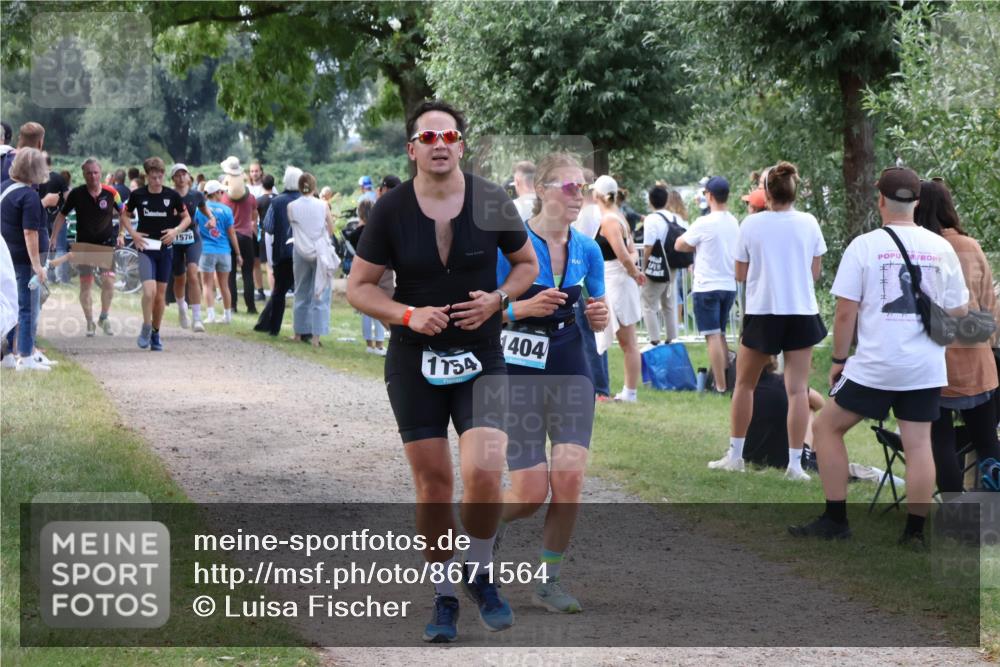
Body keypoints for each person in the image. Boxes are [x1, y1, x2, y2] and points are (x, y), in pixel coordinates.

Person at [347, 99, 538, 643]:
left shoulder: (492, 200)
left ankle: (478, 567)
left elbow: (525, 265)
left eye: (448, 136)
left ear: (461, 144)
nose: (439, 145)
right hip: (414, 360)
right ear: (412, 149)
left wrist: (498, 299)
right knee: (434, 487)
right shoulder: (390, 210)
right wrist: (407, 313)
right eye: (427, 138)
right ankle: (445, 596)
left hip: (481, 353)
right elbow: (359, 288)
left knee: (483, 473)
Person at [790, 167, 969, 548]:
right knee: (920, 444)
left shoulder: (865, 245)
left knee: (825, 428)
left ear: (881, 200)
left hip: (876, 364)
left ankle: (836, 519)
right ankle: (915, 534)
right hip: (924, 366)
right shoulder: (942, 247)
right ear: (917, 202)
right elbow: (958, 312)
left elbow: (844, 312)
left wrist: (839, 359)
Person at [495, 152, 608, 614]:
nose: (578, 194)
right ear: (541, 191)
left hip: (571, 368)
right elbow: (478, 314)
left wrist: (599, 315)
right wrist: (521, 309)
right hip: (519, 372)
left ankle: (548, 580)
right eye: (568, 186)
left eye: (582, 186)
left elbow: (598, 315)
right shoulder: (512, 247)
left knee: (570, 480)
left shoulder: (589, 248)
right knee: (528, 492)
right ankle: (480, 535)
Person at [712, 162, 828, 479]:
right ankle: (794, 464)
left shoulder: (752, 225)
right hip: (801, 311)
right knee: (798, 389)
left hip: (763, 311)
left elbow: (739, 273)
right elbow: (815, 273)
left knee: (744, 385)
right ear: (794, 189)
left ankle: (735, 455)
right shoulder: (809, 222)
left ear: (766, 193)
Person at [913, 179, 1000, 492]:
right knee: (988, 441)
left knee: (941, 441)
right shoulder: (970, 245)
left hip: (932, 360)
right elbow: (990, 309)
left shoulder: (918, 248)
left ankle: (957, 517)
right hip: (978, 360)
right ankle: (991, 518)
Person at [119, 157, 193, 352]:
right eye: (153, 177)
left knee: (160, 296)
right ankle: (145, 325)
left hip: (165, 250)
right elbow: (124, 215)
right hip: (145, 249)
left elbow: (187, 218)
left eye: (160, 177)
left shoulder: (172, 196)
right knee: (149, 292)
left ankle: (155, 332)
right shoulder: (138, 195)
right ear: (147, 177)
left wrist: (176, 231)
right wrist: (132, 233)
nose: (157, 181)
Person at [676, 176, 739, 394]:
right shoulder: (734, 221)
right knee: (720, 333)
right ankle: (728, 378)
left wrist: (696, 247)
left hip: (707, 286)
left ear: (709, 196)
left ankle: (719, 385)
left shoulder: (704, 222)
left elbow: (680, 244)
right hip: (729, 285)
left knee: (711, 335)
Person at [50, 158, 122, 337]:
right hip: (84, 246)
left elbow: (124, 214)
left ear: (101, 173)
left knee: (109, 283)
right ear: (83, 174)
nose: (93, 176)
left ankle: (104, 316)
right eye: (89, 173)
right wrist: (53, 237)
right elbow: (61, 215)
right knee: (85, 287)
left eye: (96, 172)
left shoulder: (112, 193)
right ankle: (90, 321)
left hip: (105, 244)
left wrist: (121, 235)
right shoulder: (77, 194)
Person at [594, 175, 644, 402]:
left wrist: (634, 272)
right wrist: (632, 269)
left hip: (617, 282)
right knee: (627, 341)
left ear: (597, 195)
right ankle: (627, 391)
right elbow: (631, 252)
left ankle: (630, 392)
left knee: (628, 341)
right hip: (617, 279)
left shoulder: (610, 221)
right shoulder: (619, 217)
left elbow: (624, 253)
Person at [1, 148, 50, 370]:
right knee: (27, 308)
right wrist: (37, 265)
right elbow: (30, 232)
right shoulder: (29, 197)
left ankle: (7, 356)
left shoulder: (4, 189)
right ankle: (27, 357)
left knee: (9, 306)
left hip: (5, 257)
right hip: (22, 260)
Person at [742, 357, 826, 469]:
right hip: (786, 459)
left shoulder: (741, 389)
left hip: (750, 454)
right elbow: (820, 402)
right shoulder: (785, 383)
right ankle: (812, 454)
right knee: (808, 407)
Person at [288, 172, 336, 348]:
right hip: (320, 250)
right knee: (321, 292)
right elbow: (330, 229)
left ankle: (298, 333)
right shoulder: (322, 205)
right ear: (314, 187)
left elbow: (293, 226)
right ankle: (316, 337)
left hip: (300, 250)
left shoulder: (291, 206)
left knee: (301, 290)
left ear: (299, 187)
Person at [254, 166, 302, 336]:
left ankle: (274, 328)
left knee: (279, 291)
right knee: (303, 292)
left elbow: (267, 227)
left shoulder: (277, 202)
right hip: (305, 252)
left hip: (283, 252)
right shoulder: (307, 200)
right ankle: (304, 331)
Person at [170, 163, 215, 333]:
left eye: (184, 174)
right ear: (173, 178)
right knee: (179, 278)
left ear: (189, 176)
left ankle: (197, 318)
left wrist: (212, 219)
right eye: (177, 175)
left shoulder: (196, 195)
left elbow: (204, 209)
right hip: (174, 240)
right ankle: (182, 308)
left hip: (192, 239)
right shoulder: (168, 195)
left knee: (193, 274)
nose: (181, 178)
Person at [195, 180, 240, 324]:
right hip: (224, 251)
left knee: (207, 284)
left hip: (206, 250)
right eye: (221, 192)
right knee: (224, 285)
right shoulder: (226, 210)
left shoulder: (199, 209)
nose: (224, 194)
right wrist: (238, 253)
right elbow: (232, 233)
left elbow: (194, 226)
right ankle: (227, 316)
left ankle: (211, 315)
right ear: (215, 193)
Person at [345, 198, 385, 355]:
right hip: (379, 271)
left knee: (367, 310)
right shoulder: (378, 231)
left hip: (362, 271)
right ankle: (380, 344)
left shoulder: (355, 234)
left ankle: (369, 343)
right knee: (381, 307)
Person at [641, 185, 679, 346]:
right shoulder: (675, 218)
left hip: (657, 266)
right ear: (667, 200)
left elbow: (649, 246)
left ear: (650, 201)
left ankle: (654, 339)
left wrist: (644, 267)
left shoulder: (652, 219)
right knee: (668, 303)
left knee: (648, 303)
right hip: (673, 265)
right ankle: (671, 338)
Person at [220, 157, 258, 314]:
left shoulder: (223, 198)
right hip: (246, 237)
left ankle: (233, 306)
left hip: (229, 238)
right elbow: (254, 216)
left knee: (230, 274)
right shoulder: (250, 198)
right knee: (248, 272)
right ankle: (251, 307)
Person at [256, 173, 276, 298]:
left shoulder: (259, 201)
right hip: (279, 235)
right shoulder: (280, 198)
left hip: (265, 234)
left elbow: (255, 219)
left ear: (262, 185)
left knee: (269, 267)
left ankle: (274, 293)